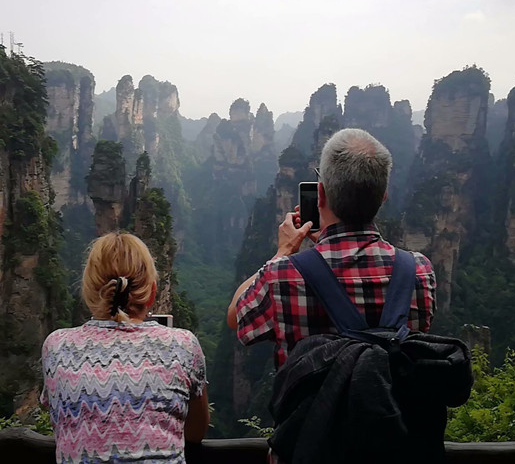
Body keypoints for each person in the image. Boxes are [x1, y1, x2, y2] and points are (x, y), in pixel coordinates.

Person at [227, 127, 436, 369]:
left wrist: (283, 252)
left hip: (313, 407)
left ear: (321, 194)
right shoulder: (419, 272)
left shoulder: (283, 275)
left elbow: (236, 316)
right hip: (394, 407)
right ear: (383, 197)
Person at [42, 232, 209, 464]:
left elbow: (62, 422)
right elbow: (196, 432)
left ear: (89, 291)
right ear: (151, 293)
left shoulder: (56, 346)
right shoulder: (183, 345)